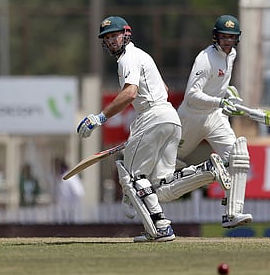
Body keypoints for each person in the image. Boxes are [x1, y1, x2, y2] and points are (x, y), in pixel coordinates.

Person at [77, 16, 229, 243]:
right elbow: (165, 89)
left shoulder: (127, 58)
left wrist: (100, 118)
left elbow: (130, 93)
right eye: (107, 38)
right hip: (170, 117)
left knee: (132, 176)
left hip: (152, 116)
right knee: (162, 184)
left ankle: (160, 227)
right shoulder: (143, 55)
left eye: (114, 36)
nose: (111, 41)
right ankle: (208, 170)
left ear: (126, 34)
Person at [177, 14, 253, 229]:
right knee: (169, 165)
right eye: (223, 36)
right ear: (215, 37)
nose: (227, 41)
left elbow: (219, 83)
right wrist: (220, 101)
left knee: (238, 157)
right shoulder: (205, 59)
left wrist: (230, 93)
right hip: (191, 117)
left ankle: (232, 213)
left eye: (231, 37)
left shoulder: (233, 54)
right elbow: (191, 94)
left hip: (214, 116)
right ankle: (205, 170)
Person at [54, 158, 85, 223]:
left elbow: (79, 193)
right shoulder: (60, 178)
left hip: (71, 212)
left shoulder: (71, 177)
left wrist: (72, 207)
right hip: (63, 212)